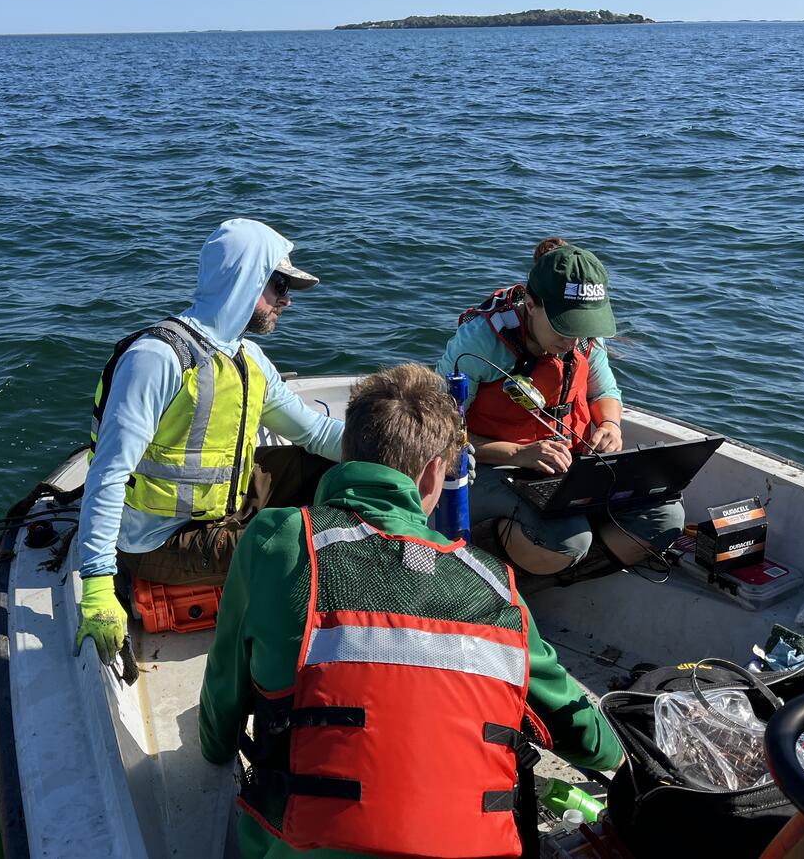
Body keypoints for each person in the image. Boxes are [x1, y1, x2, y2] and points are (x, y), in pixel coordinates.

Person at [199, 364, 623, 859]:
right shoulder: (494, 585)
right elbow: (588, 739)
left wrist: (214, 747)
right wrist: (620, 747)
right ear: (433, 472)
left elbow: (223, 701)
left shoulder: (280, 539)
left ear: (347, 451)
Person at [76, 218, 345, 664]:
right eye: (279, 285)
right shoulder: (157, 359)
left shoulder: (248, 358)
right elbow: (107, 475)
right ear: (247, 278)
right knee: (306, 551)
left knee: (335, 469)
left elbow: (317, 433)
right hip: (160, 541)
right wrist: (98, 586)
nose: (287, 299)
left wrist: (402, 457)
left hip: (223, 505)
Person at [437, 239, 685, 575]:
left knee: (664, 519)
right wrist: (516, 454)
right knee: (568, 540)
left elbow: (605, 392)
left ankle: (553, 571)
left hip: (562, 466)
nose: (573, 341)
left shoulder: (583, 339)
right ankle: (483, 569)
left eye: (584, 327)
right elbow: (439, 433)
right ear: (531, 303)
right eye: (564, 327)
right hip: (492, 467)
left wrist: (610, 426)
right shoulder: (479, 342)